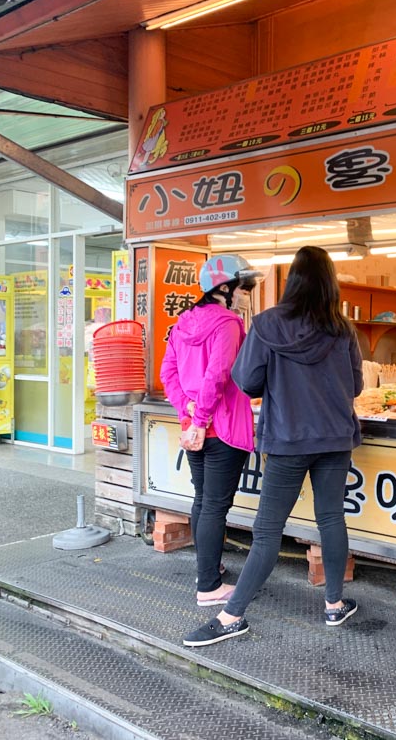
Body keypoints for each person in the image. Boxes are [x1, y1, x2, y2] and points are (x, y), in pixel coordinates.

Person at [183, 246, 363, 647]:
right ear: (330, 283)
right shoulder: (342, 329)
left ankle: (231, 616)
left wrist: (281, 382)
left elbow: (246, 380)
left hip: (286, 437)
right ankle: (334, 605)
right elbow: (356, 386)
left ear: (292, 281)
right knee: (331, 518)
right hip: (334, 437)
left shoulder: (266, 324)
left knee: (267, 531)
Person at [160, 254, 261, 607]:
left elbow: (168, 374)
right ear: (225, 288)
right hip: (222, 429)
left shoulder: (183, 321)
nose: (246, 295)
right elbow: (218, 376)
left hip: (194, 429)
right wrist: (201, 418)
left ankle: (209, 568)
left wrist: (187, 412)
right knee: (215, 507)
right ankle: (208, 587)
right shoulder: (228, 324)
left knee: (202, 501)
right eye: (244, 287)